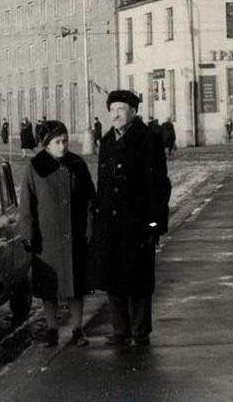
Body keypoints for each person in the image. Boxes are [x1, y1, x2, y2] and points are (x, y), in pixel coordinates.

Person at [91, 90, 171, 348]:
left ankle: (140, 331)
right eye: (112, 109)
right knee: (113, 278)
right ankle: (120, 330)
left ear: (133, 111)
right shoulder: (107, 141)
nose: (115, 114)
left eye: (121, 108)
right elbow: (103, 186)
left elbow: (159, 186)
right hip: (111, 225)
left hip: (138, 224)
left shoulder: (148, 140)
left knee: (138, 279)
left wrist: (153, 226)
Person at [19, 120, 96, 347]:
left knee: (76, 287)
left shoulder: (77, 164)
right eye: (57, 142)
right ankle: (52, 329)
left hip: (75, 236)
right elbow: (26, 206)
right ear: (46, 144)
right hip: (47, 238)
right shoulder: (35, 167)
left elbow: (90, 200)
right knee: (49, 288)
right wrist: (28, 235)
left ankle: (77, 329)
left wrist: (90, 228)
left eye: (65, 141)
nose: (62, 146)